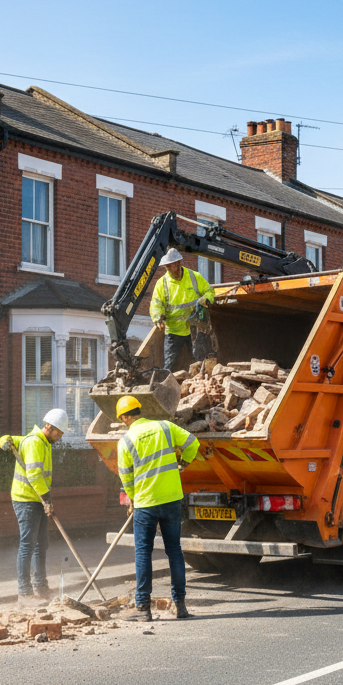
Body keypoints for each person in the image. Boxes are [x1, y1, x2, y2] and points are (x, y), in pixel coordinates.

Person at [112, 395, 199, 621]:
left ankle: (142, 608)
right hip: (171, 499)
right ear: (139, 411)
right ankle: (180, 606)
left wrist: (131, 499)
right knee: (174, 551)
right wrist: (184, 463)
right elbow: (193, 443)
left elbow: (126, 477)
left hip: (145, 503)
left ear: (124, 417)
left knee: (143, 552)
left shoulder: (126, 441)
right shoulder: (165, 427)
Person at [0, 408, 68, 608]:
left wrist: (4, 439)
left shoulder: (40, 441)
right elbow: (35, 475)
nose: (60, 437)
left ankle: (40, 586)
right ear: (49, 427)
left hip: (37, 499)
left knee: (41, 544)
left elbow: (9, 438)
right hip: (25, 499)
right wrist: (47, 499)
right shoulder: (35, 442)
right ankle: (25, 593)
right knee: (28, 544)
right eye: (59, 433)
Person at [150, 248, 215, 371]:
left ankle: (203, 384)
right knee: (169, 365)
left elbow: (209, 291)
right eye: (167, 266)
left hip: (195, 328)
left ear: (179, 263)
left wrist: (206, 299)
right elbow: (156, 303)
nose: (169, 269)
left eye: (171, 265)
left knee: (201, 361)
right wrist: (157, 316)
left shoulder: (194, 277)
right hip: (174, 330)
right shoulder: (162, 283)